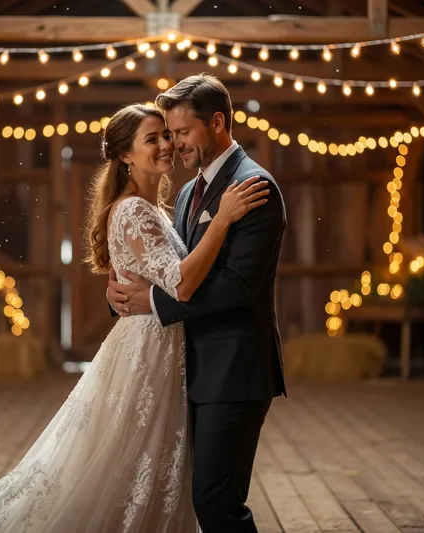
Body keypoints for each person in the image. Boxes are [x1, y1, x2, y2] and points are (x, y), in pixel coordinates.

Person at [0, 102, 268, 533]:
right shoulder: (133, 209)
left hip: (168, 348)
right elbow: (180, 283)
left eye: (167, 136)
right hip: (148, 351)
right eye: (151, 139)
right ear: (126, 155)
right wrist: (223, 220)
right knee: (123, 458)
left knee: (141, 460)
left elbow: (159, 280)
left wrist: (128, 296)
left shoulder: (162, 209)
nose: (166, 145)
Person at [107, 74, 288, 533]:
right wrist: (124, 298)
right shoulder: (188, 192)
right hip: (185, 373)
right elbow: (168, 273)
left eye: (182, 132)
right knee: (183, 498)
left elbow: (235, 286)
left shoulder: (254, 188)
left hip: (233, 370)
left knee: (216, 503)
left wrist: (154, 304)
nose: (175, 144)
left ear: (219, 123)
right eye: (167, 133)